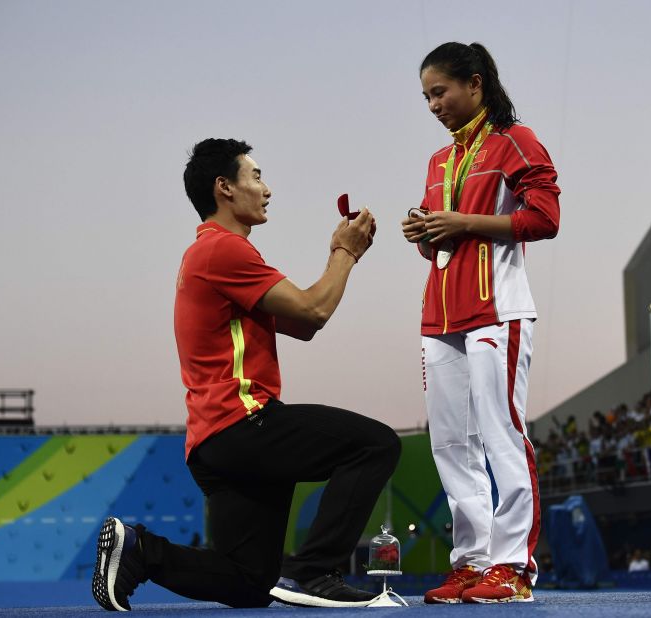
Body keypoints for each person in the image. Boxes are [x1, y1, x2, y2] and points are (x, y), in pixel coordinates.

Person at [91, 138, 401, 611]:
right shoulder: (223, 251)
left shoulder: (211, 255)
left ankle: (139, 551)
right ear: (224, 188)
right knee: (375, 444)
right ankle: (316, 572)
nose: (267, 188)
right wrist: (345, 252)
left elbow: (300, 325)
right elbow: (314, 310)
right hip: (244, 422)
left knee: (248, 582)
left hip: (214, 441)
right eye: (255, 177)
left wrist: (339, 256)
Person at [401, 41, 560, 604]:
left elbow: (545, 217)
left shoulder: (514, 140)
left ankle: (513, 567)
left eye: (439, 92)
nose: (432, 104)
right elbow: (446, 244)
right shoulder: (439, 161)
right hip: (440, 311)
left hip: (498, 308)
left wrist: (462, 221)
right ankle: (472, 562)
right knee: (450, 443)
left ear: (475, 84)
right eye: (425, 96)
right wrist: (426, 233)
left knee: (502, 434)